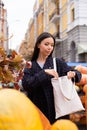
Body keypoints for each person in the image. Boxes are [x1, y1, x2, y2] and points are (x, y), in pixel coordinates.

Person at [22, 32, 82, 124]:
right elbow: (27, 85)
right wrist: (44, 72)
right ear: (38, 45)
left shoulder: (57, 62)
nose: (50, 47)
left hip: (59, 112)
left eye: (52, 45)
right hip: (38, 112)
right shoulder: (30, 65)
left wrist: (73, 73)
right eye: (46, 44)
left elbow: (78, 74)